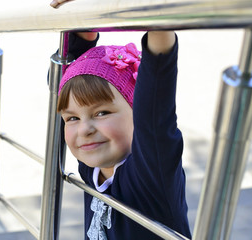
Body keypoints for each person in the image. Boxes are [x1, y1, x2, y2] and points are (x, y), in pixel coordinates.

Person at [51, 2, 191, 239]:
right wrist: (80, 28)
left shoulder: (150, 174)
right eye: (72, 118)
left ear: (139, 113)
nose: (84, 129)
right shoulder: (92, 164)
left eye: (102, 113)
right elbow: (64, 83)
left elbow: (156, 107)